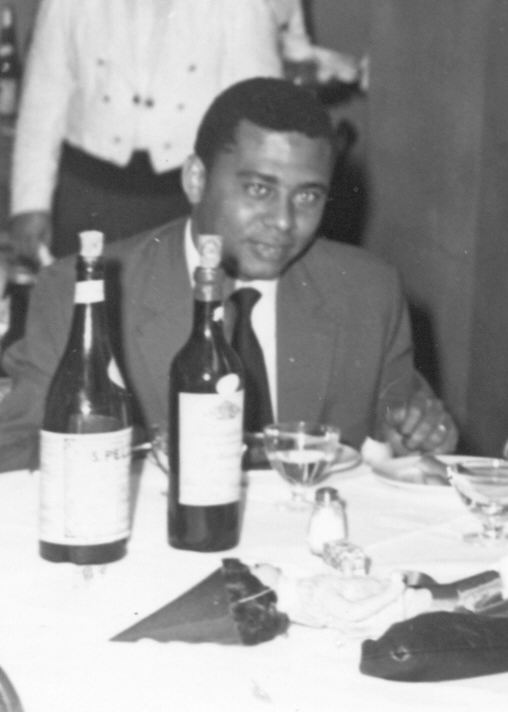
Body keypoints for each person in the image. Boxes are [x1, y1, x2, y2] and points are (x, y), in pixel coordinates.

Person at [0, 77, 457, 472]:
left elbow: (405, 437)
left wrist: (419, 438)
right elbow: (15, 452)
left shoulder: (367, 292)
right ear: (196, 180)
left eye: (307, 197)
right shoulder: (86, 292)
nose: (283, 221)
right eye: (259, 189)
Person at [10, 0, 361, 264]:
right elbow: (43, 99)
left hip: (183, 199)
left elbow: (256, 119)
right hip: (87, 195)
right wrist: (29, 203)